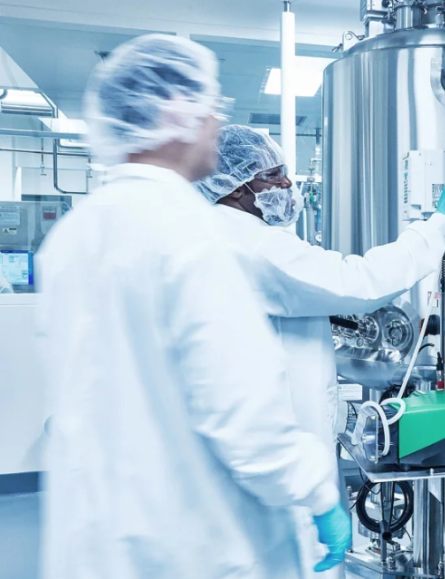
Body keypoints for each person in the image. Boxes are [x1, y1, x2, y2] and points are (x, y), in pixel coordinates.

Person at [35, 35, 350, 579]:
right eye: (210, 110)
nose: (215, 126)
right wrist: (317, 491)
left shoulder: (74, 233)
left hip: (99, 543)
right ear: (175, 115)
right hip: (192, 542)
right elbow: (243, 413)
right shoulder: (188, 232)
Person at [195, 125, 445, 577]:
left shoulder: (216, 237)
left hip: (255, 467)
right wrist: (438, 222)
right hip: (273, 476)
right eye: (273, 176)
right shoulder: (251, 244)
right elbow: (359, 281)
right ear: (235, 187)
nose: (287, 185)